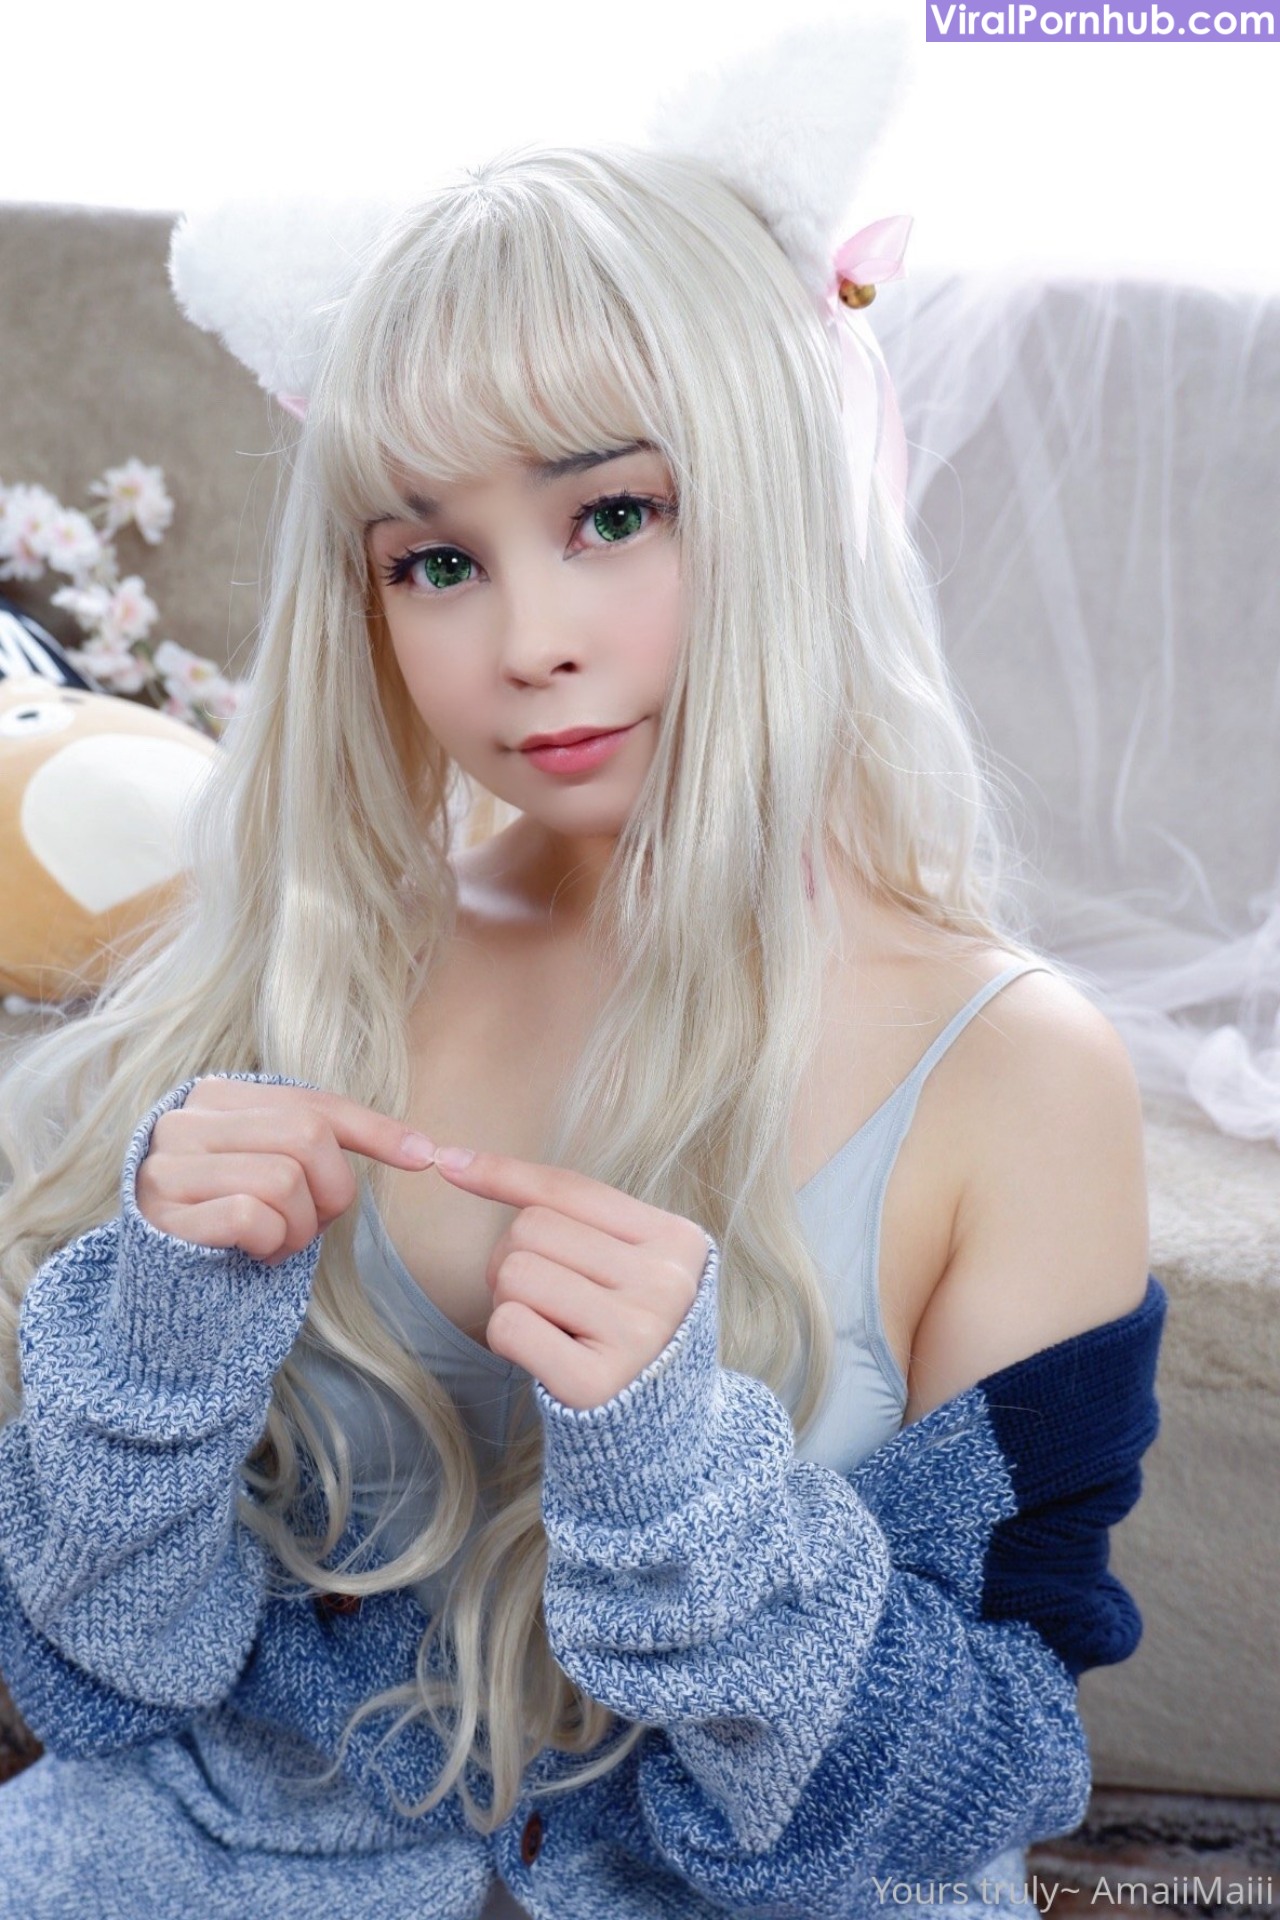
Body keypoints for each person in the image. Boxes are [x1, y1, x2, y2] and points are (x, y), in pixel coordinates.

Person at [0, 126, 1165, 1920]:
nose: (527, 639)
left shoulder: (1016, 1076)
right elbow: (108, 1682)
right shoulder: (310, 967)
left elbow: (981, 1772)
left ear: (776, 489)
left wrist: (685, 1485)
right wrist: (154, 1358)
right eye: (434, 561)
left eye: (614, 516)